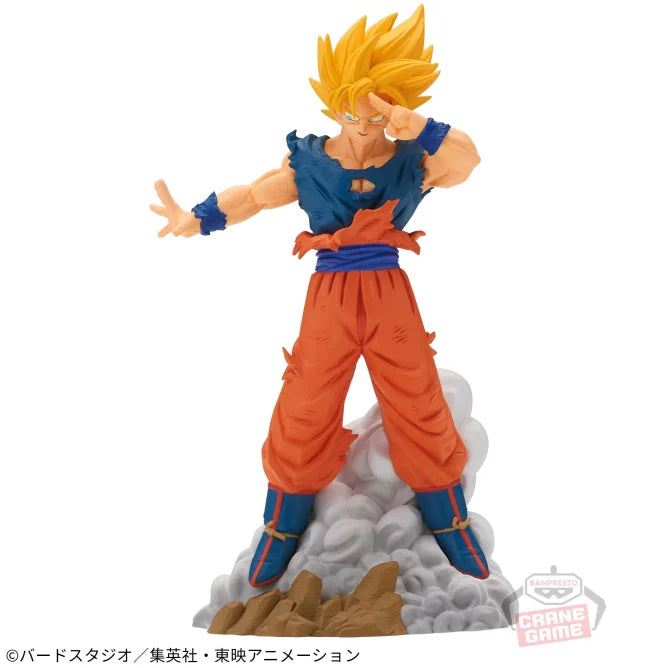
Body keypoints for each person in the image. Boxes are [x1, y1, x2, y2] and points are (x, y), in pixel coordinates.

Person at [150, 5, 490, 586]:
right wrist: (198, 218)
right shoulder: (309, 162)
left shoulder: (414, 158)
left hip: (389, 292)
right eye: (357, 110)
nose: (366, 123)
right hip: (330, 292)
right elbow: (254, 195)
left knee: (418, 400)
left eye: (380, 113)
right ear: (334, 103)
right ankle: (282, 524)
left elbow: (467, 160)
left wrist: (418, 124)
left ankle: (448, 519)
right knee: (305, 402)